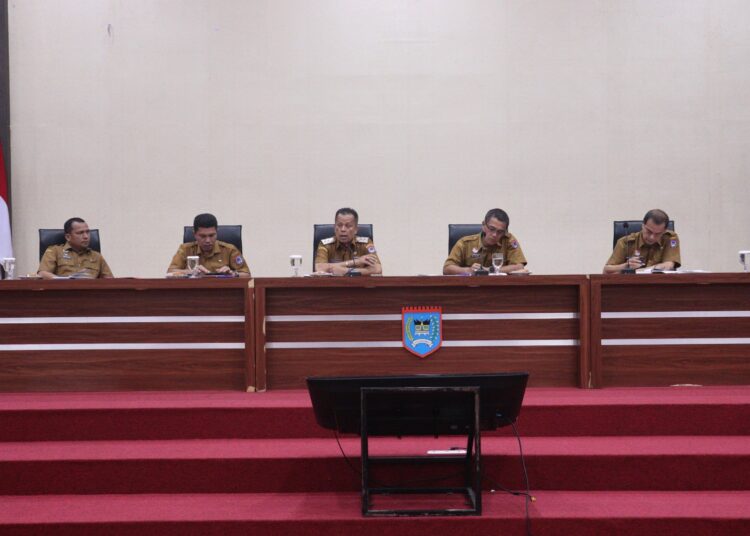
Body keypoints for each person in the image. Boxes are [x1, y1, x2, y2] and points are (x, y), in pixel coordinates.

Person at [443, 208, 527, 275]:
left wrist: (490, 270)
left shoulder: (508, 241)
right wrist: (468, 270)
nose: (494, 234)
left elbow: (519, 266)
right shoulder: (465, 243)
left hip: (500, 288)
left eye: (500, 232)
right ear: (483, 225)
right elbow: (447, 268)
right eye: (492, 229)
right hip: (471, 288)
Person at [168, 213, 251, 277]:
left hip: (222, 293)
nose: (208, 240)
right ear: (195, 234)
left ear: (217, 233)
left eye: (211, 235)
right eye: (203, 236)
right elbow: (170, 273)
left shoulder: (229, 250)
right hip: (193, 293)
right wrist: (190, 272)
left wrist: (233, 274)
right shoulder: (185, 249)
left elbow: (247, 275)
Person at [603, 209, 681, 273]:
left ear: (664, 231)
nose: (652, 237)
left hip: (659, 287)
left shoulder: (670, 238)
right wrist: (626, 265)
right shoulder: (625, 242)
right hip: (630, 287)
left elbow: (668, 265)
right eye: (649, 231)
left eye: (658, 234)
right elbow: (606, 271)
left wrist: (638, 271)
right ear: (643, 225)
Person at [38, 218, 114, 279]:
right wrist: (63, 280)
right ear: (68, 237)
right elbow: (43, 274)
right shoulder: (54, 251)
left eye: (87, 232)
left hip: (89, 295)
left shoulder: (97, 256)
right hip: (63, 294)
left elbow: (110, 281)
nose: (86, 236)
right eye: (80, 233)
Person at [315, 207, 382, 275]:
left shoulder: (366, 243)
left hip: (359, 284)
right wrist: (356, 262)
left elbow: (377, 269)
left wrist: (347, 271)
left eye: (348, 226)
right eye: (339, 225)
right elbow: (320, 268)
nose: (343, 229)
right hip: (333, 285)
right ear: (335, 227)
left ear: (356, 229)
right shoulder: (325, 244)